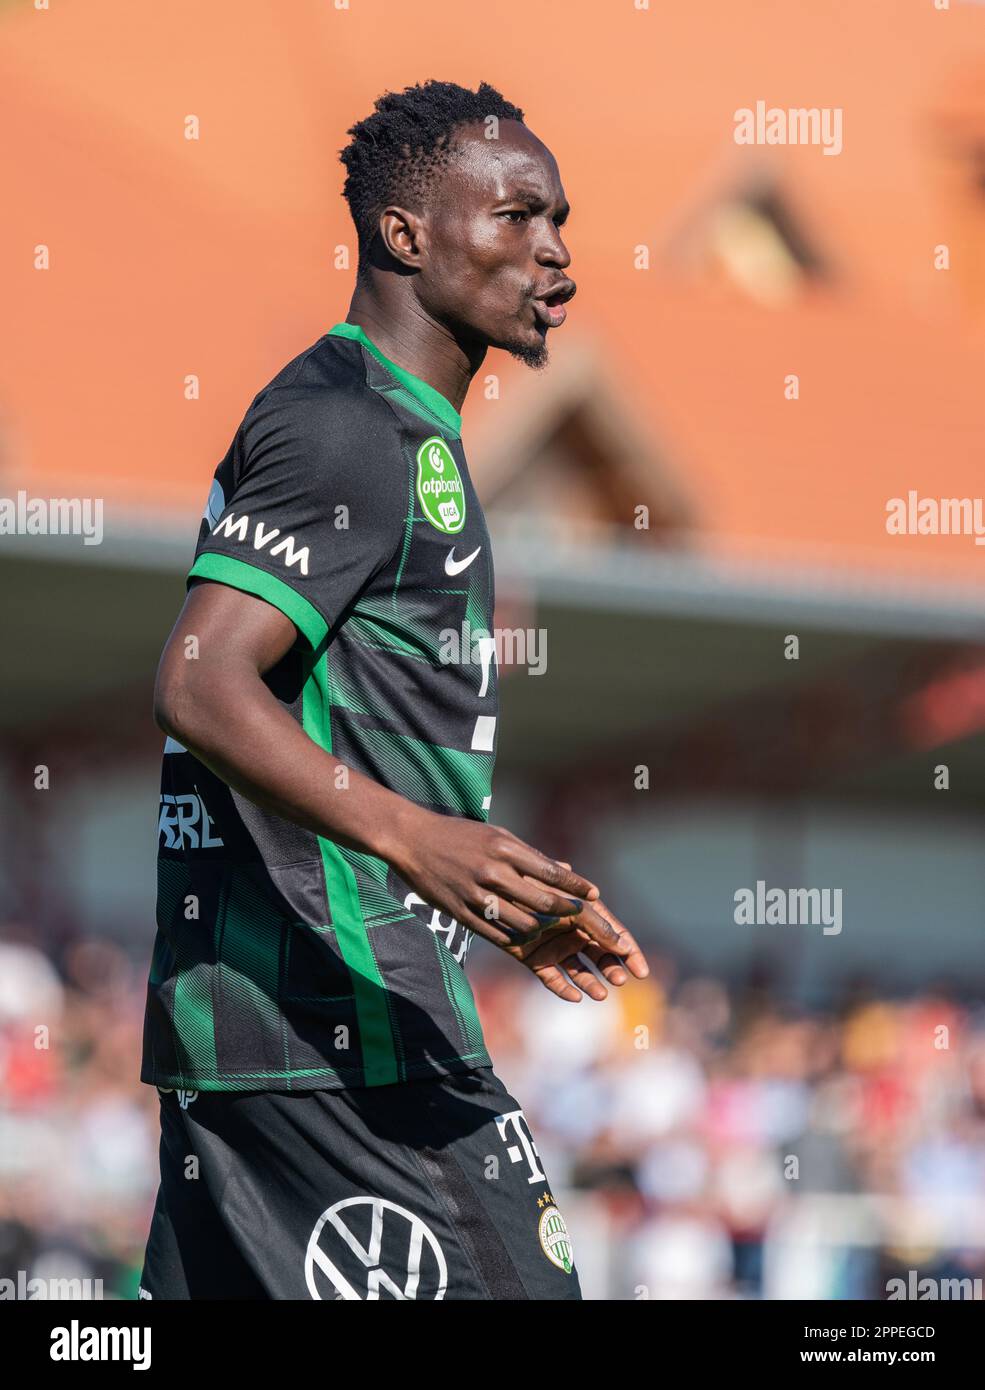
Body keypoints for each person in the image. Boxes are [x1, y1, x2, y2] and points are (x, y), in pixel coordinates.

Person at [139, 78, 648, 1301]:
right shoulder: (350, 429)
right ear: (403, 235)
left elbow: (342, 714)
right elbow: (202, 677)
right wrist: (417, 840)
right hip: (338, 1031)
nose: (554, 248)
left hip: (280, 1029)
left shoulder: (393, 426)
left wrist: (473, 873)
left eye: (559, 217)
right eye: (516, 215)